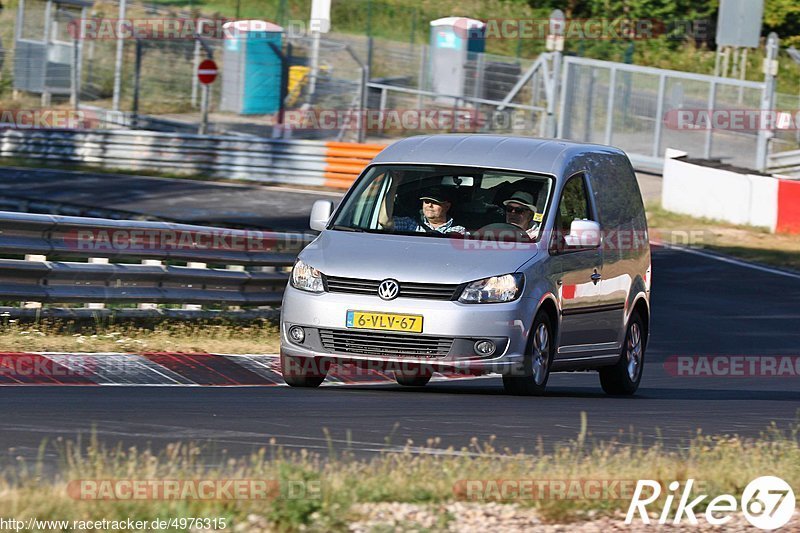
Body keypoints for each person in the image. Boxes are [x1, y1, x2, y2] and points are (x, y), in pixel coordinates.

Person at [380, 184, 466, 235]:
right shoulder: (410, 224)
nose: (429, 205)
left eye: (435, 202)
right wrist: (394, 184)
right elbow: (385, 221)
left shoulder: (458, 230)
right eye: (426, 201)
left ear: (447, 206)